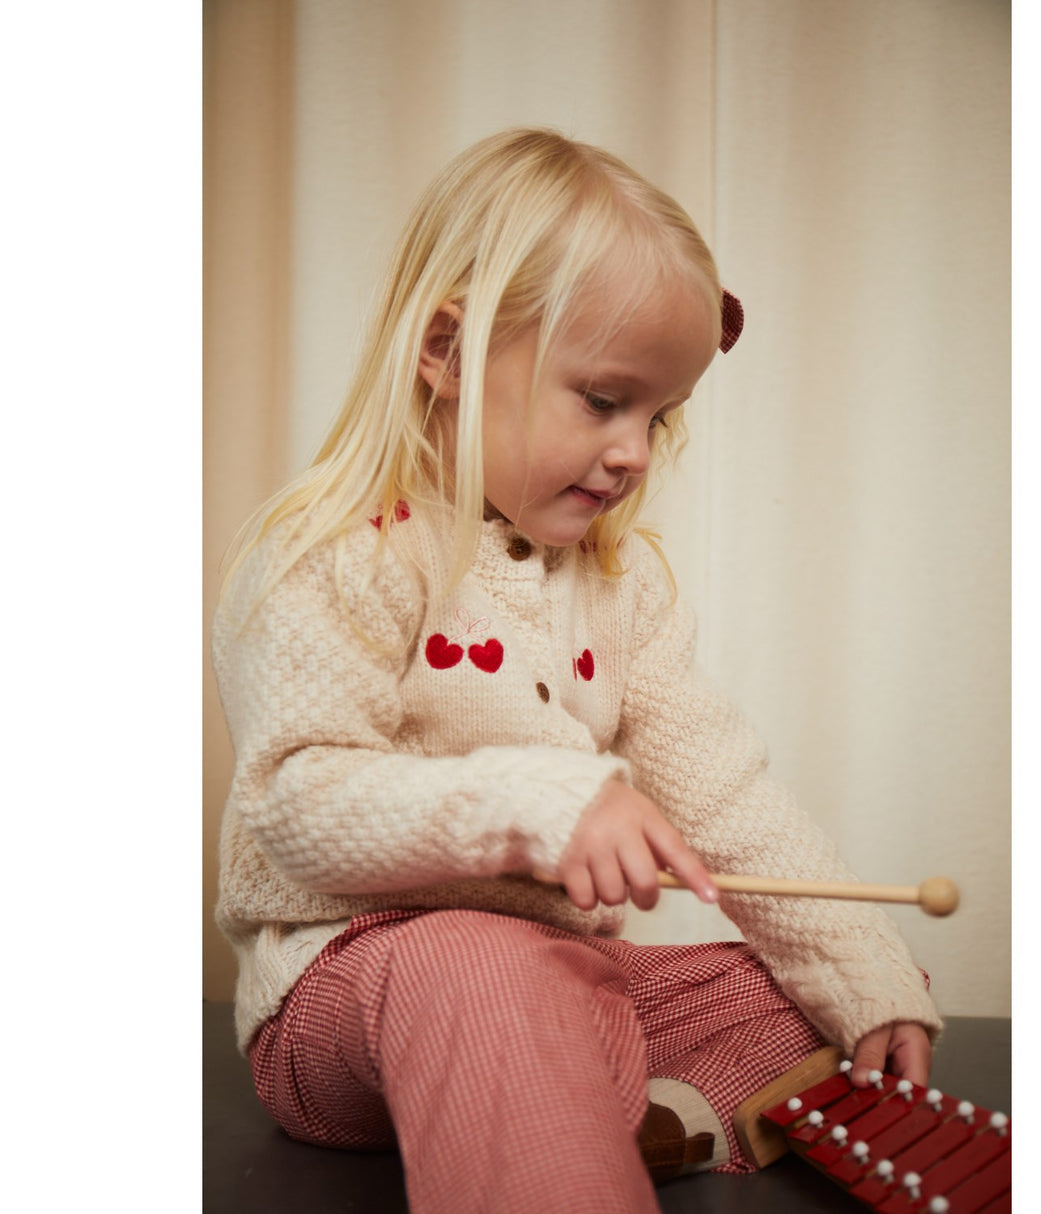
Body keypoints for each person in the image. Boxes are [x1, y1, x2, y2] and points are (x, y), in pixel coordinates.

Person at [212, 127, 943, 1213]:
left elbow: (726, 797)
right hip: (351, 991)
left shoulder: (622, 585)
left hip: (558, 984)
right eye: (604, 401)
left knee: (830, 988)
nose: (636, 451)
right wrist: (540, 803)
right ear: (448, 353)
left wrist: (860, 970)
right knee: (481, 966)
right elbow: (296, 801)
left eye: (659, 415)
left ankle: (641, 1120)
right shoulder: (335, 550)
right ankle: (560, 1127)